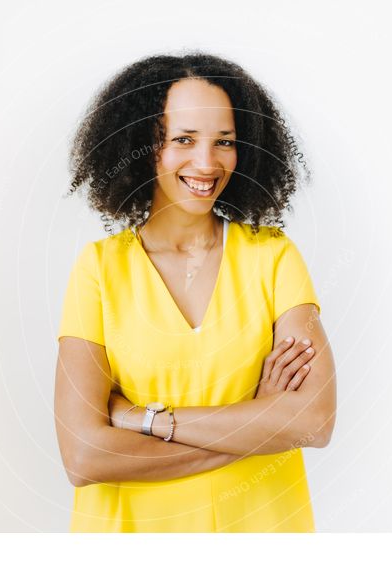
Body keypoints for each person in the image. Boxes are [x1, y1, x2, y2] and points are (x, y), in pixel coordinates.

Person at [54, 52, 337, 532]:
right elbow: (84, 456)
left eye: (224, 142)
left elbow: (312, 419)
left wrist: (144, 419)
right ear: (142, 145)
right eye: (183, 139)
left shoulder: (273, 257)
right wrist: (255, 424)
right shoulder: (99, 269)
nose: (206, 162)